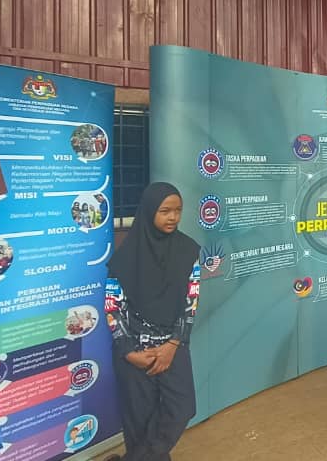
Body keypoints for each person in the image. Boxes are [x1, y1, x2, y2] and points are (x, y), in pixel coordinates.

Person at [106, 182, 201, 461]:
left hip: (173, 346)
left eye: (178, 211)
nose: (173, 217)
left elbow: (191, 301)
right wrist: (129, 352)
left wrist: (173, 344)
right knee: (138, 419)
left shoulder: (188, 251)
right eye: (165, 211)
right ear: (149, 212)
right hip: (134, 351)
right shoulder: (124, 257)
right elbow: (113, 307)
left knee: (182, 407)